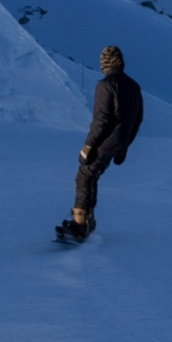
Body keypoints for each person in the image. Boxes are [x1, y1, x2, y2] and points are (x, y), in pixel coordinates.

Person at [60, 45, 143, 241]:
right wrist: (124, 148)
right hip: (119, 141)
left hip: (105, 141)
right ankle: (88, 220)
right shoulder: (134, 86)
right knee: (92, 176)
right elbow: (137, 120)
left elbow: (101, 120)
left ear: (105, 64)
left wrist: (88, 146)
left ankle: (80, 224)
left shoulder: (106, 85)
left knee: (84, 176)